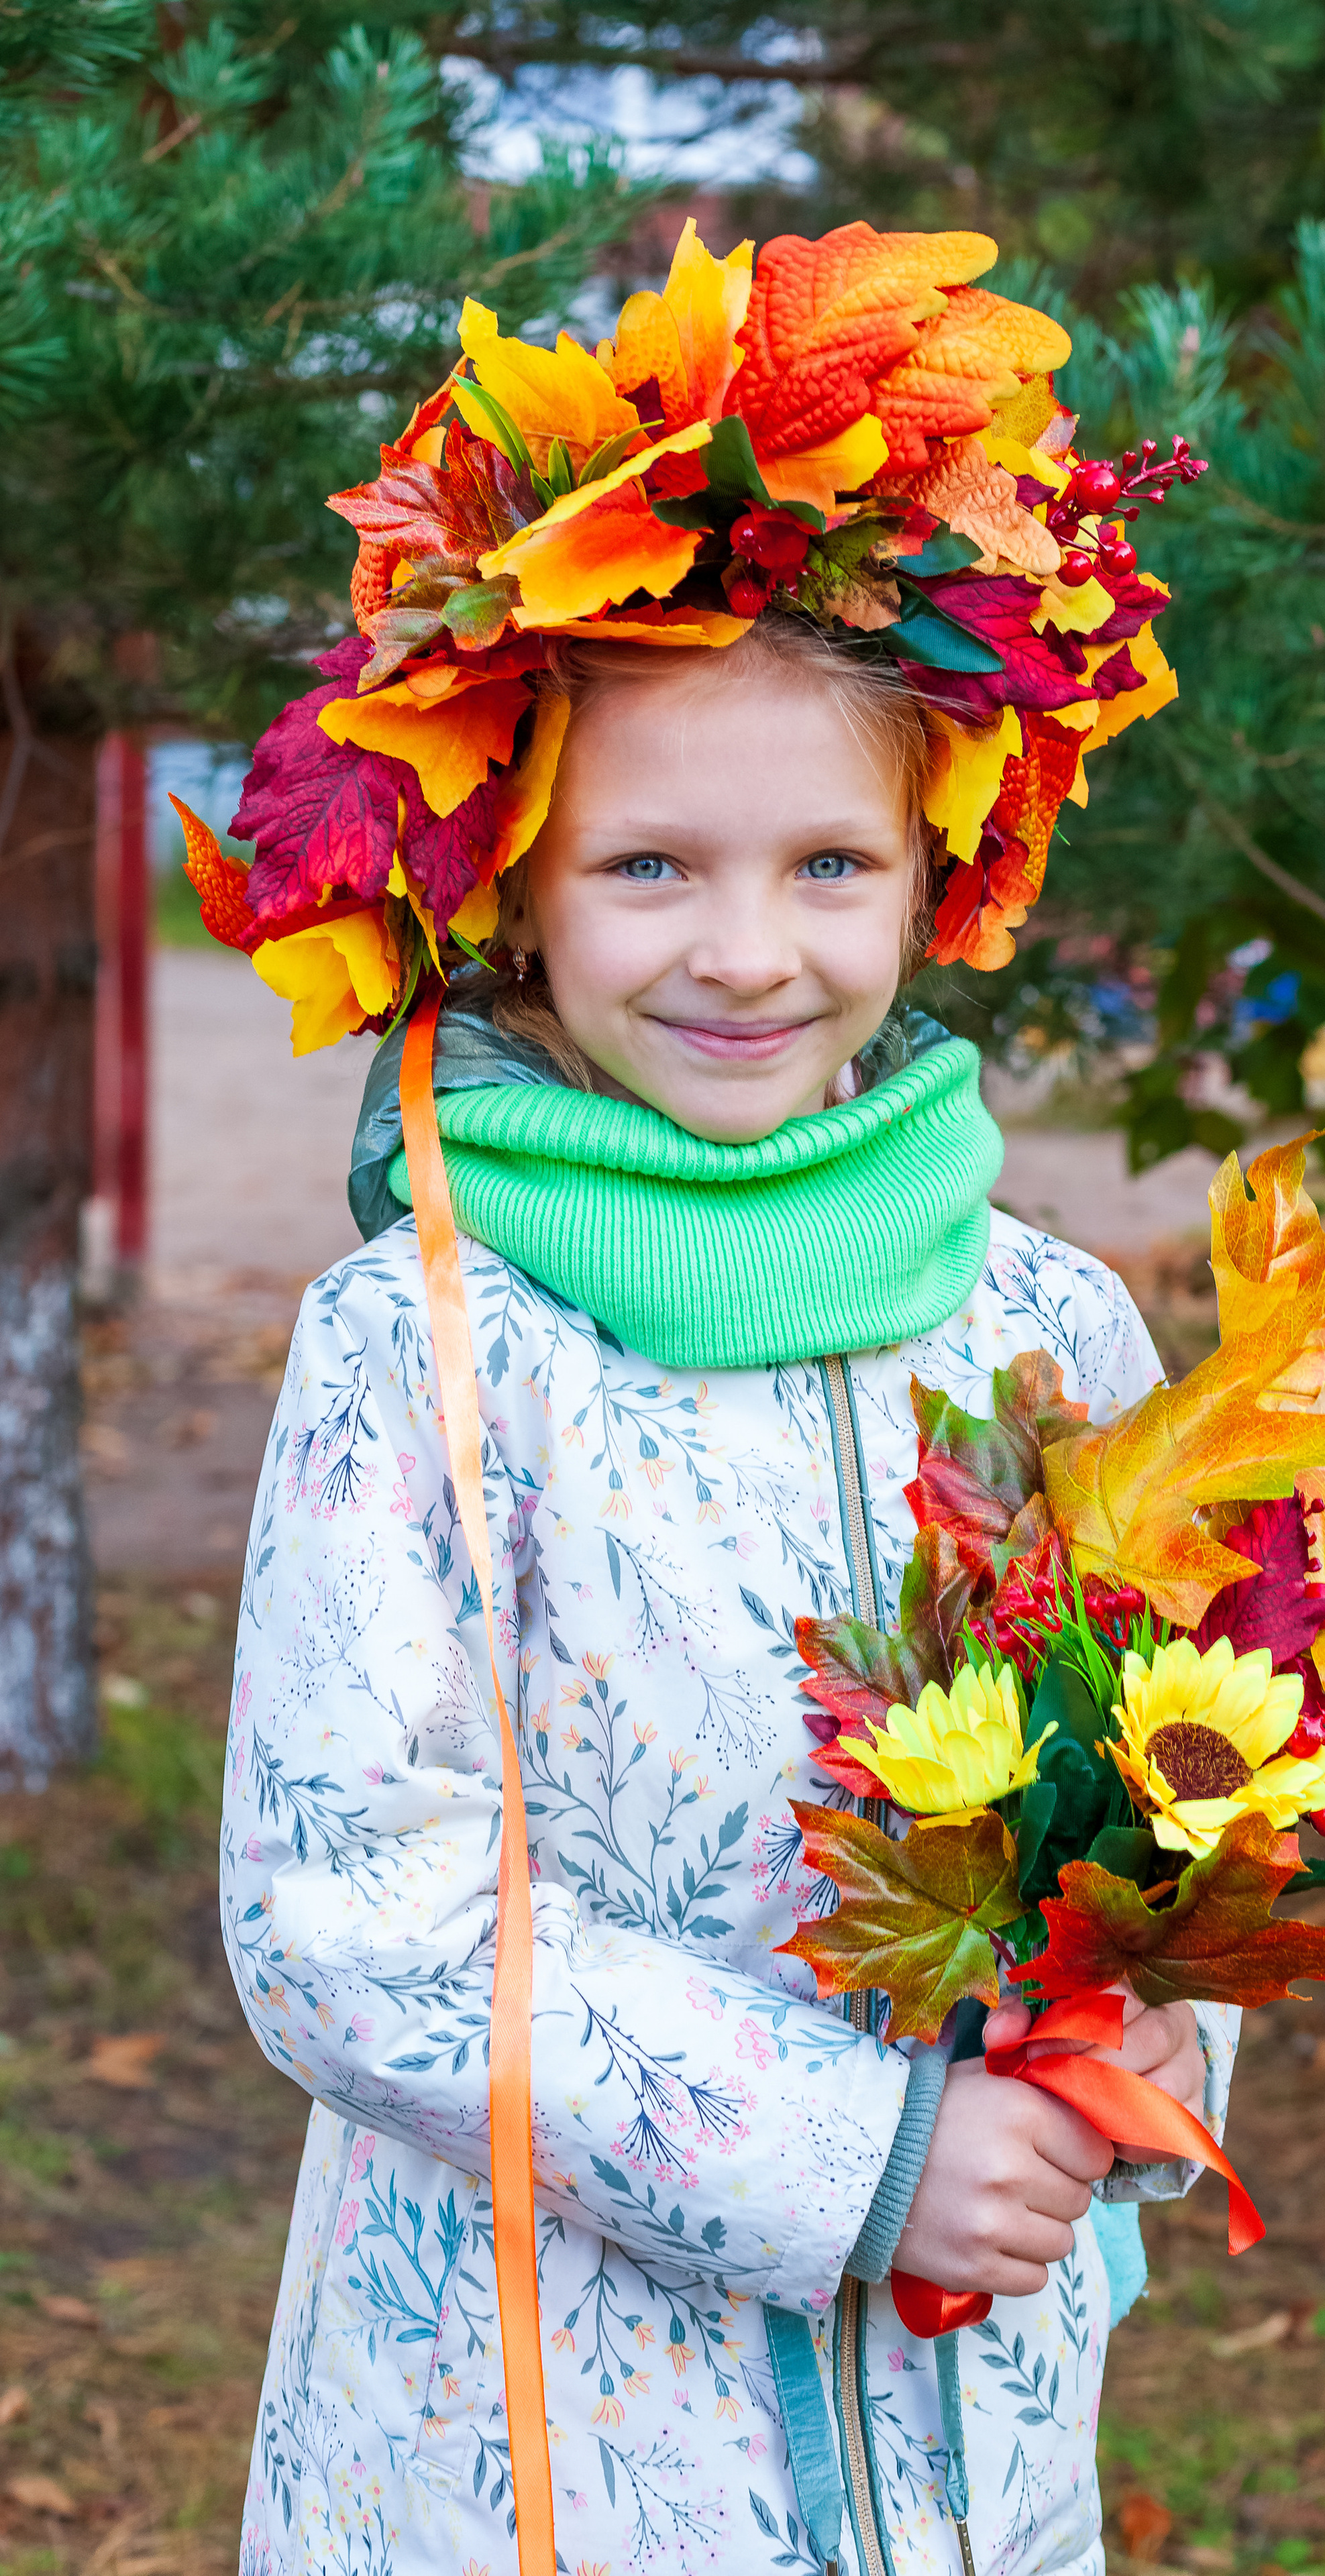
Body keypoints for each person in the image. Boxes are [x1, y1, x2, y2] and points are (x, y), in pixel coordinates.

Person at [203, 220, 1234, 2576]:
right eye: (652, 863)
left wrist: (1142, 2049)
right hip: (548, 2411)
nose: (749, 948)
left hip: (980, 2413)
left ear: (945, 867)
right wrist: (852, 2161)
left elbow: (1187, 1765)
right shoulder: (436, 1348)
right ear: (519, 885)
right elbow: (349, 1904)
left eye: (829, 863)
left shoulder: (1048, 1327)